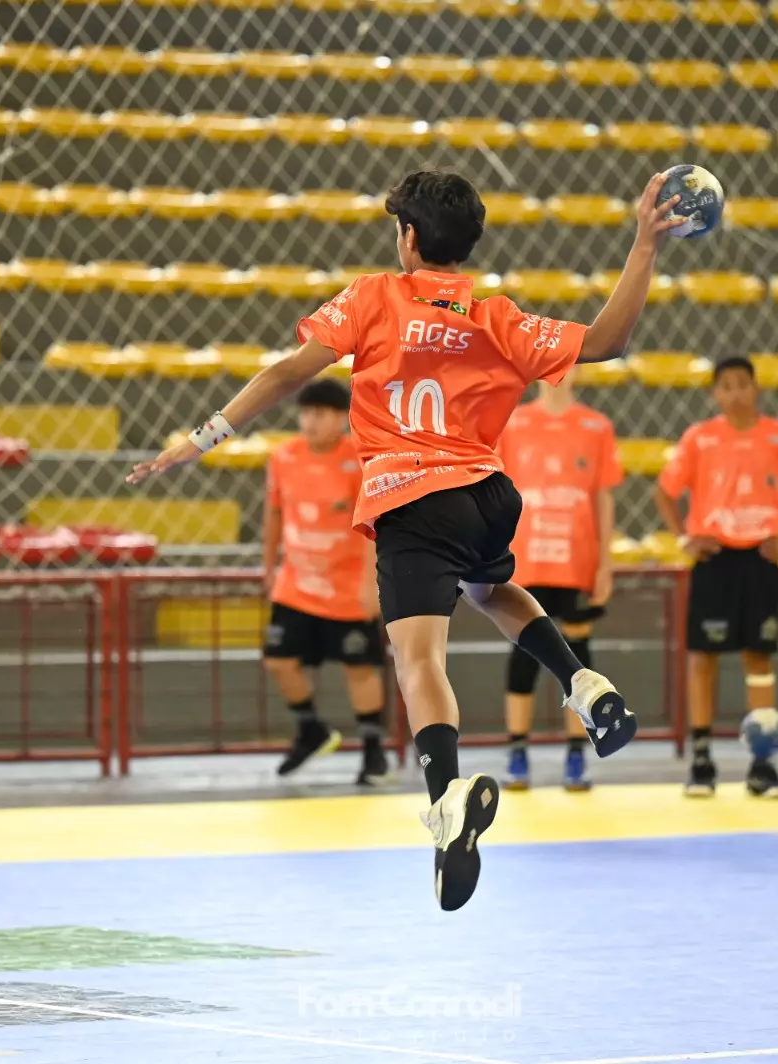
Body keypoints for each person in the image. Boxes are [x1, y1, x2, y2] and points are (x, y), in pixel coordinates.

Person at [129, 168, 689, 910]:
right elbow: (608, 341)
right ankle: (583, 684)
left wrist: (198, 440)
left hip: (411, 500)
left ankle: (446, 797)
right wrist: (645, 245)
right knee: (490, 587)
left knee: (418, 660)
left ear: (409, 238)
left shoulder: (373, 297)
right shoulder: (495, 316)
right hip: (487, 495)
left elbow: (288, 373)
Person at [653, 355, 778, 799]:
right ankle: (702, 760)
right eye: (726, 385)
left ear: (756, 388)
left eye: (743, 384)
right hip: (715, 558)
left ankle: (762, 763)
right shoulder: (699, 438)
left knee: (758, 657)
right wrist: (685, 537)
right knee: (703, 657)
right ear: (715, 394)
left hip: (760, 558)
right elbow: (664, 492)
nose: (736, 392)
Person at [494, 367, 623, 792]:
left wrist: (604, 563)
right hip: (525, 561)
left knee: (577, 656)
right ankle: (517, 752)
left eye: (566, 366)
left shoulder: (596, 427)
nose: (558, 374)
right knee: (523, 655)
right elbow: (496, 491)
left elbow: (603, 497)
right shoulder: (512, 423)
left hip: (575, 560)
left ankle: (576, 753)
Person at [261, 378, 390, 787]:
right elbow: (274, 513)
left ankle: (373, 752)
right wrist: (268, 565)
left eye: (319, 414)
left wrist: (370, 584)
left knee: (359, 667)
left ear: (340, 419)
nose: (310, 422)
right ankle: (310, 729)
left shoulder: (360, 459)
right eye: (305, 413)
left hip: (346, 585)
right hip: (297, 583)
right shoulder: (284, 457)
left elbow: (373, 524)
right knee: (278, 660)